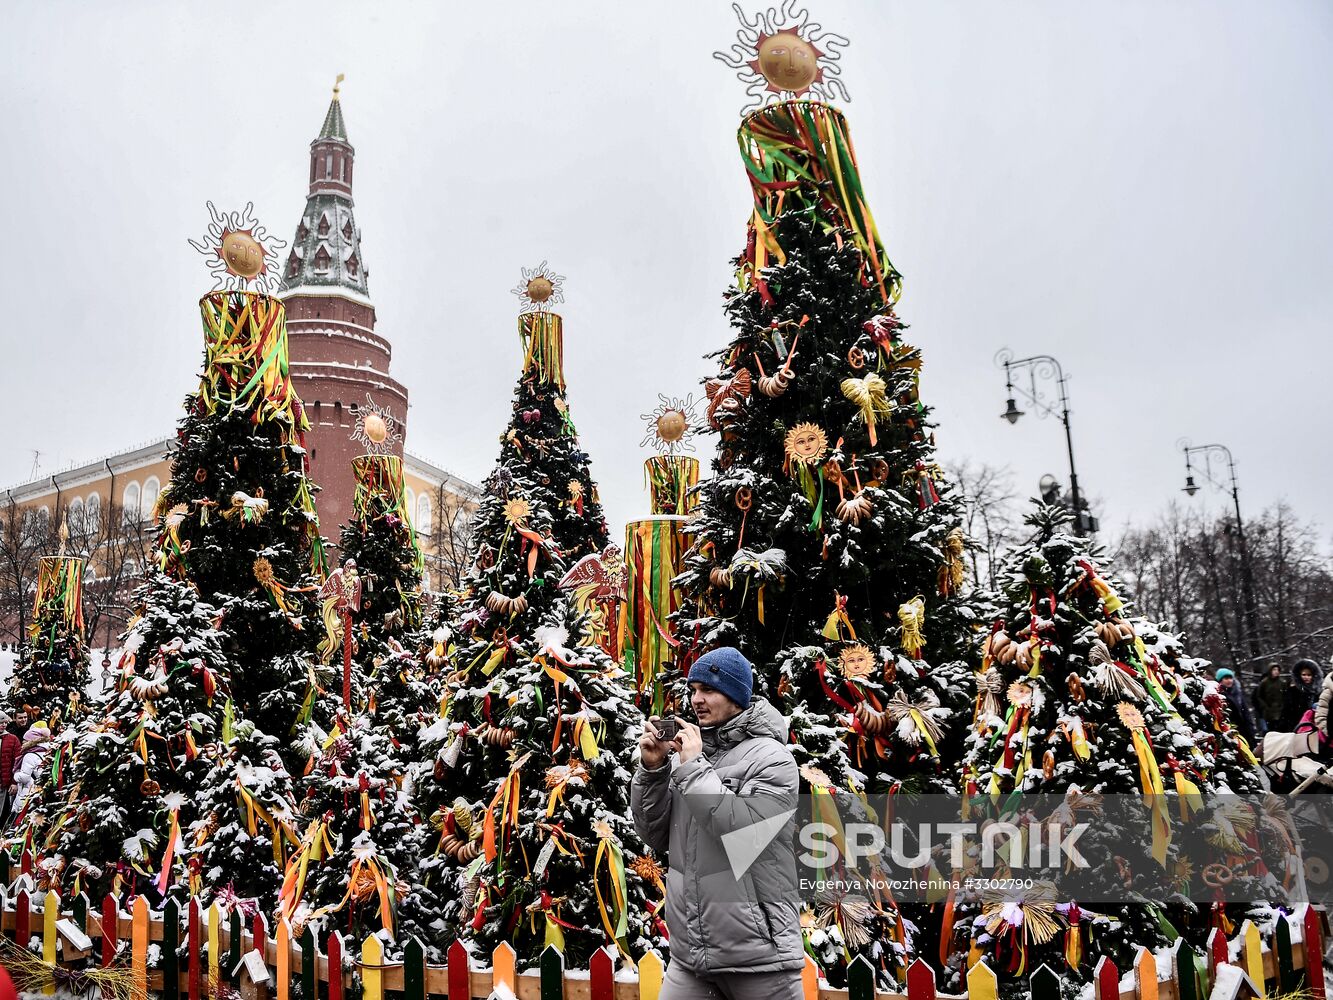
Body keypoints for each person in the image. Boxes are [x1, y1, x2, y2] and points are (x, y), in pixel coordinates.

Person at [631, 647, 803, 1000]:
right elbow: (656, 835)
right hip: (691, 956)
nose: (697, 699)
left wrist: (693, 768)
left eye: (708, 690)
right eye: (693, 690)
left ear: (737, 695)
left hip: (759, 958)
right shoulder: (692, 757)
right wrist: (652, 770)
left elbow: (742, 832)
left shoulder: (772, 759)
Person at [12, 719, 52, 819]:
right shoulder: (48, 751)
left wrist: (16, 774)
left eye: (25, 740)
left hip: (28, 792)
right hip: (42, 792)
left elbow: (25, 777)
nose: (23, 742)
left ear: (31, 741)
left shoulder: (29, 755)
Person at [1215, 668, 1257, 745]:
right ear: (1220, 680)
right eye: (1226, 678)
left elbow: (1245, 713)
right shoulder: (1219, 695)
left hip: (1244, 729)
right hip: (1230, 730)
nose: (1229, 681)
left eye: (1230, 678)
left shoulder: (1237, 693)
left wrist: (1251, 729)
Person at [1280, 659, 1323, 732]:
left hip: (1315, 727)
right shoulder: (1292, 691)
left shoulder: (1318, 692)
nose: (1306, 677)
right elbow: (1286, 713)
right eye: (1304, 675)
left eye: (1309, 675)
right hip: (1297, 726)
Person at [1251, 663, 1286, 736]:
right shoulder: (1264, 682)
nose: (1276, 671)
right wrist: (1265, 707)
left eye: (1277, 670)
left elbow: (1285, 696)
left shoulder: (1282, 683)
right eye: (1274, 669)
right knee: (1269, 732)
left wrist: (1282, 706)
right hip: (1268, 712)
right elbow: (1259, 696)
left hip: (1280, 711)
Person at [0, 712, 20, 826]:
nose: (3, 725)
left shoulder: (12, 739)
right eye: (1, 723)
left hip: (4, 784)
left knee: (3, 812)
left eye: (5, 723)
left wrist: (14, 782)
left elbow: (17, 763)